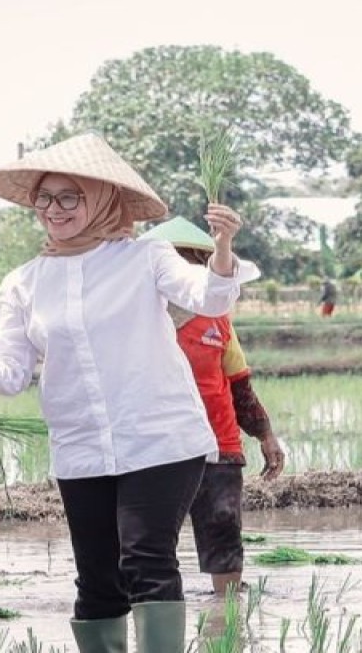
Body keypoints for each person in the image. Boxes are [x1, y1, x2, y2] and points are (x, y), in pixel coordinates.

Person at [0, 133, 244, 653]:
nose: (55, 209)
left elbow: (206, 297)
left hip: (159, 438)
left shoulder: (147, 257)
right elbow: (8, 371)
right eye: (45, 199)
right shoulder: (24, 282)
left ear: (100, 200)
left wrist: (224, 247)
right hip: (81, 447)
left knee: (145, 557)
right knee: (97, 578)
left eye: (69, 196)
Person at [139, 217, 285, 597]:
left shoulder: (218, 319)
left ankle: (227, 614)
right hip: (155, 447)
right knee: (149, 540)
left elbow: (238, 384)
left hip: (217, 444)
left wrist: (265, 435)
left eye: (193, 260)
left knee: (222, 525)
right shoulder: (136, 321)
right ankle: (155, 609)